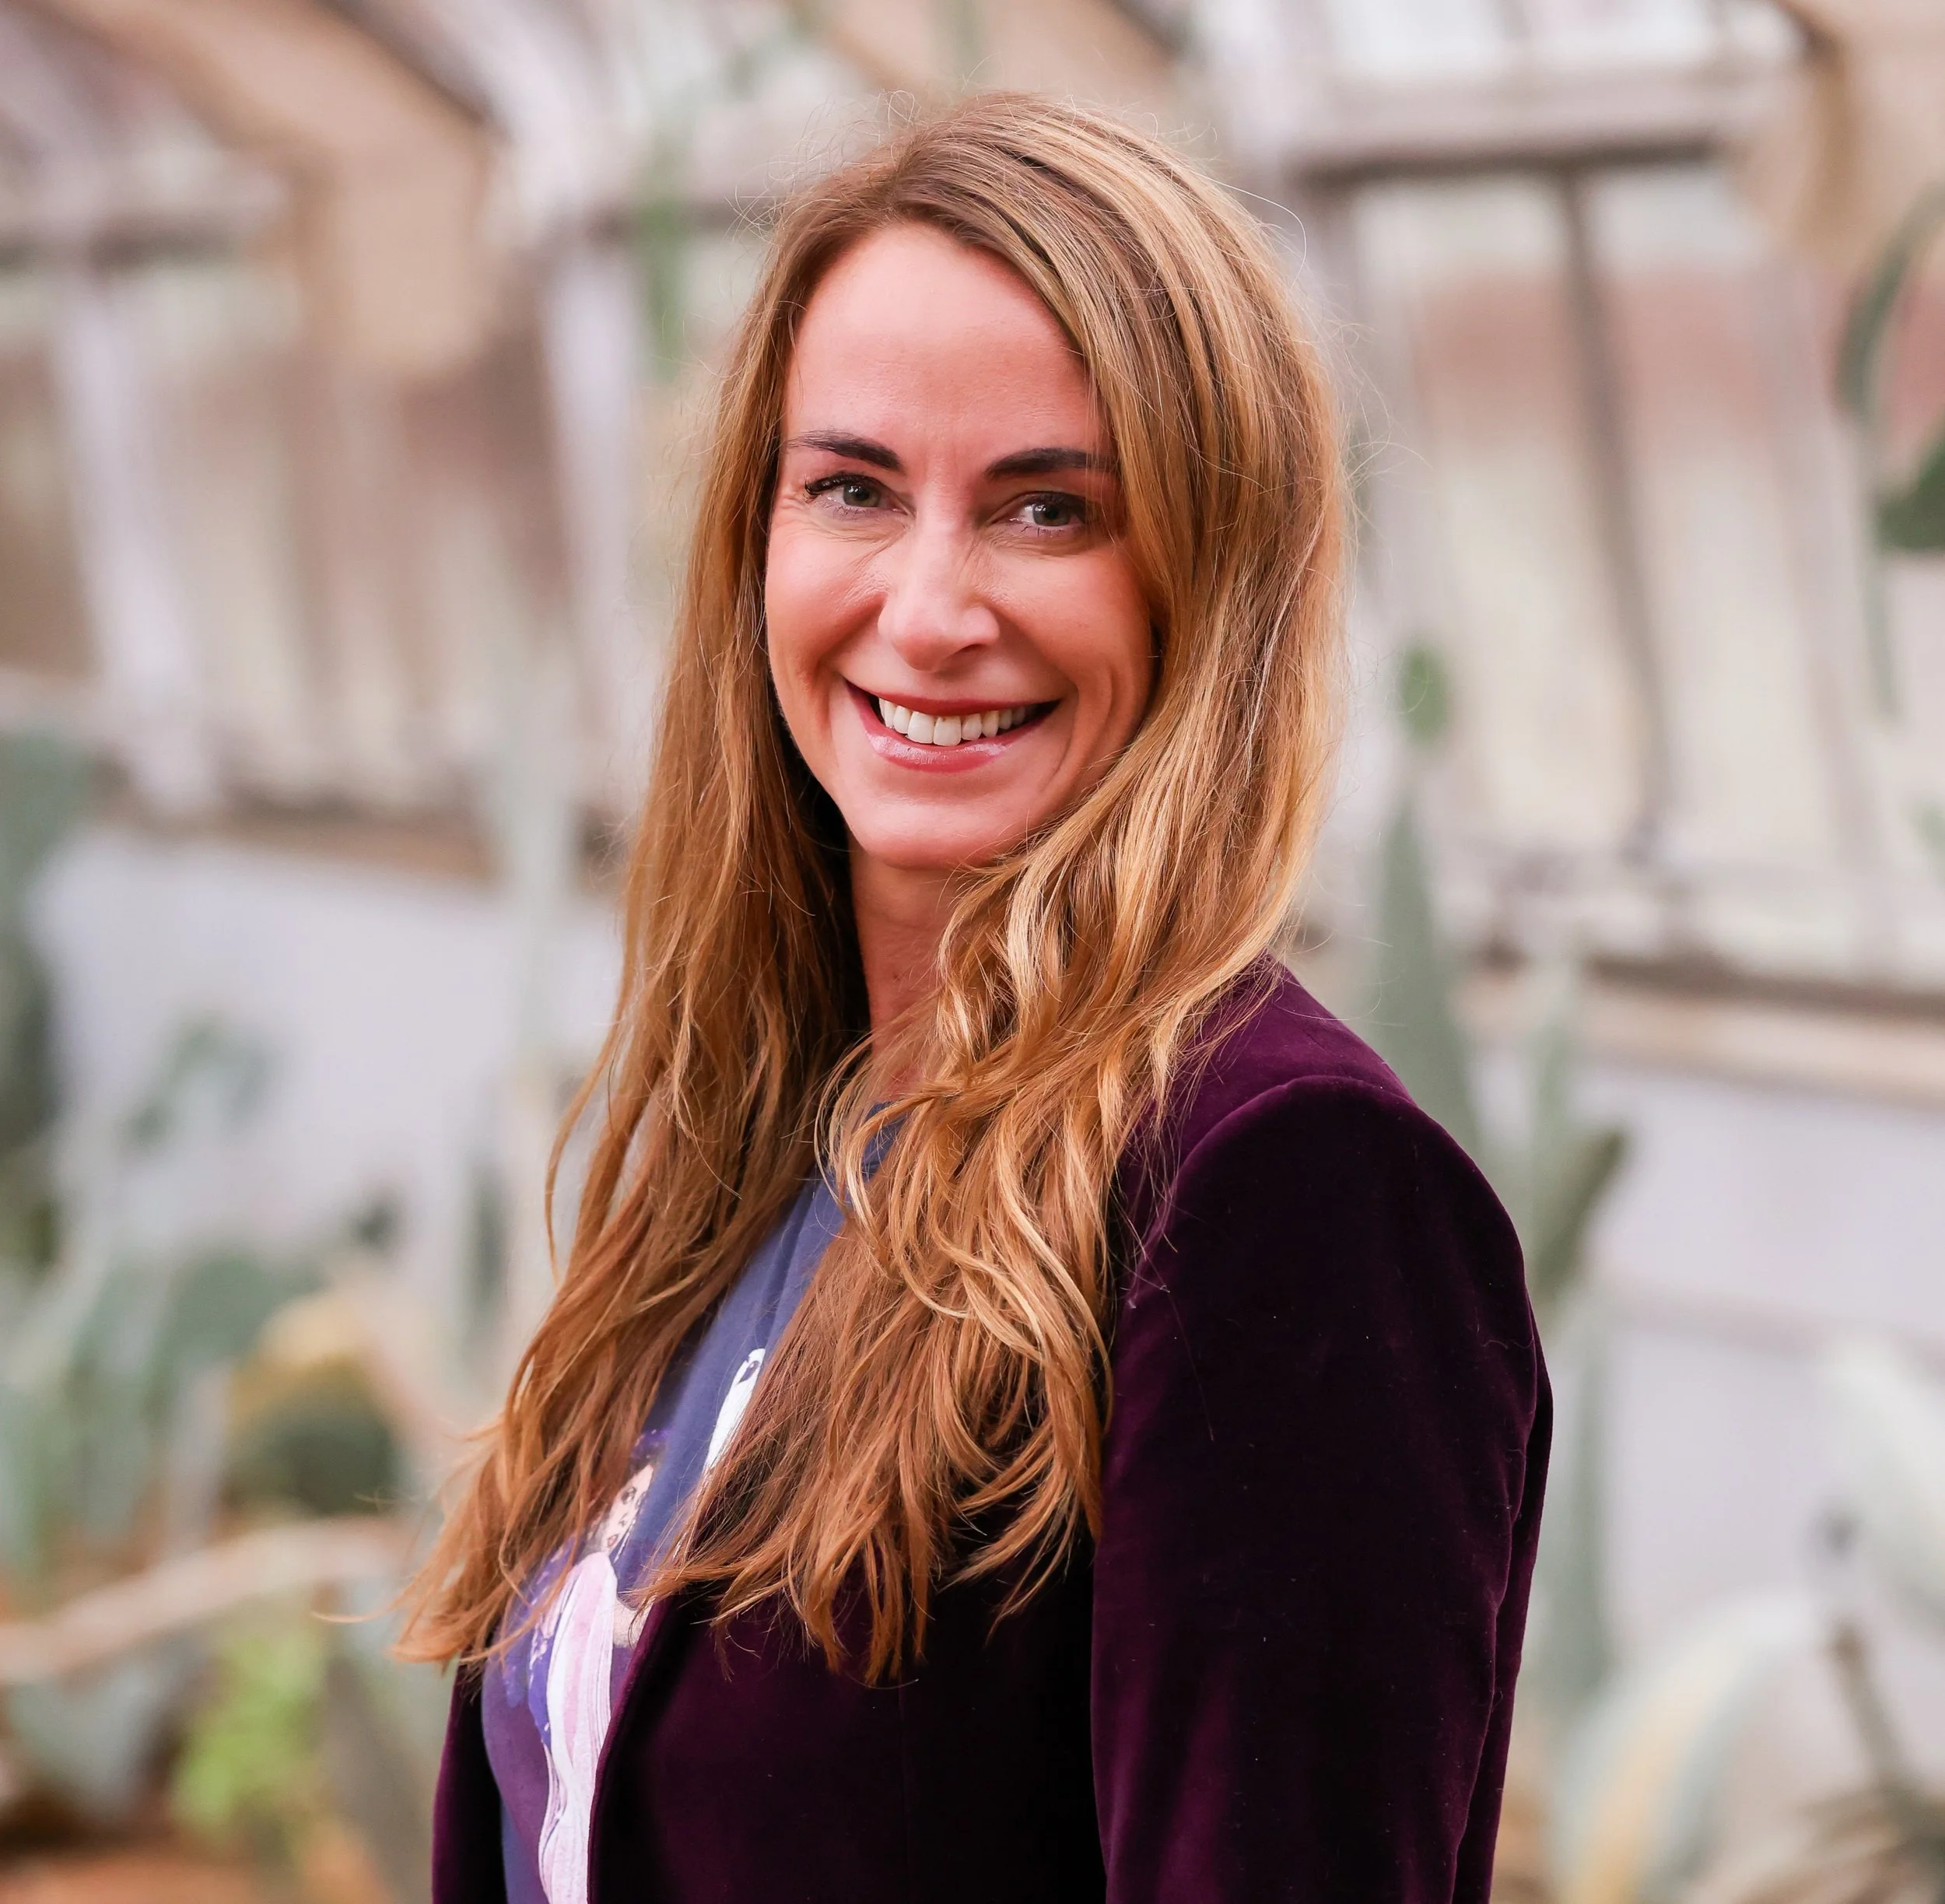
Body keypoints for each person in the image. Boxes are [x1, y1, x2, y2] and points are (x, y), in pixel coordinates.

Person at [403, 92, 1549, 1904]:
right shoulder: (769, 1148)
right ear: (754, 538)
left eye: (1044, 508)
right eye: (851, 486)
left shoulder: (1274, 1191)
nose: (927, 608)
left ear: (1210, 579)